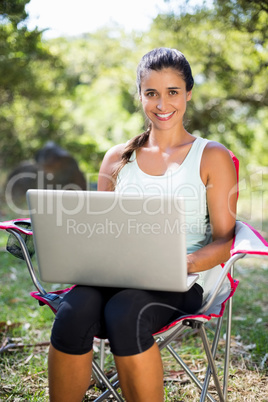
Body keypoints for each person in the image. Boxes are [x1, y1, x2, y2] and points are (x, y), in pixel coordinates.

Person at [48, 47, 237, 402]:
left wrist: (182, 262)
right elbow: (98, 229)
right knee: (72, 313)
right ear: (140, 95)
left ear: (189, 94)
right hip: (117, 274)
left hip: (183, 279)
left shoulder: (211, 156)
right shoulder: (118, 158)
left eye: (172, 92)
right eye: (151, 93)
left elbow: (226, 241)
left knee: (126, 311)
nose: (162, 104)